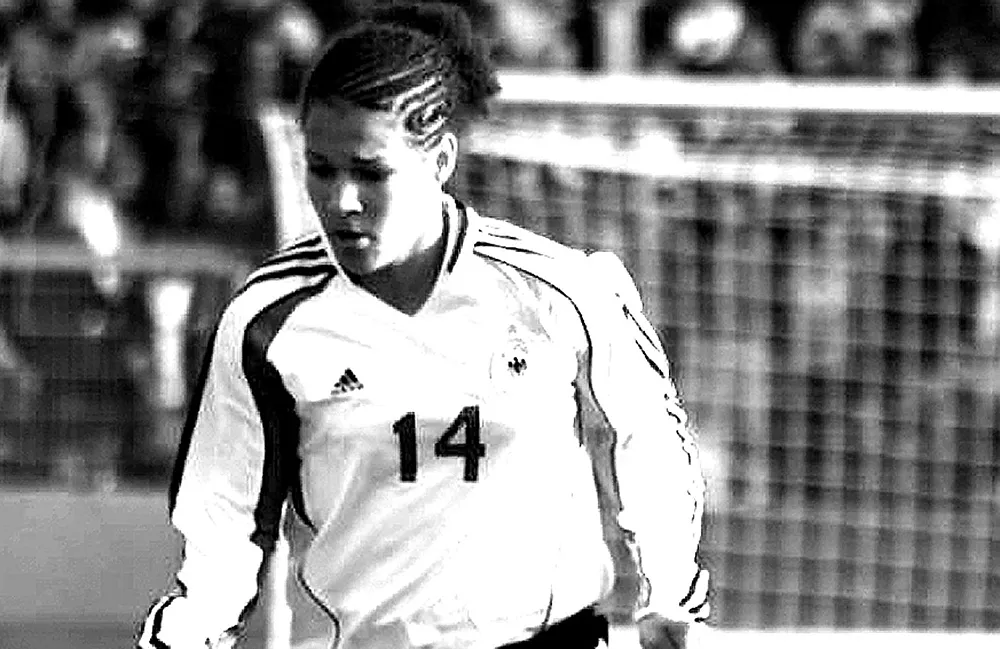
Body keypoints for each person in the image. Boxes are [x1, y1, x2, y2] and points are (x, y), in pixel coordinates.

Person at [136, 3, 711, 648]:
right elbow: (223, 525)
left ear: (440, 161)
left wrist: (670, 591)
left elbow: (648, 435)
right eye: (321, 169)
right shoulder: (267, 321)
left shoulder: (558, 289)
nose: (342, 200)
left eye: (370, 172)